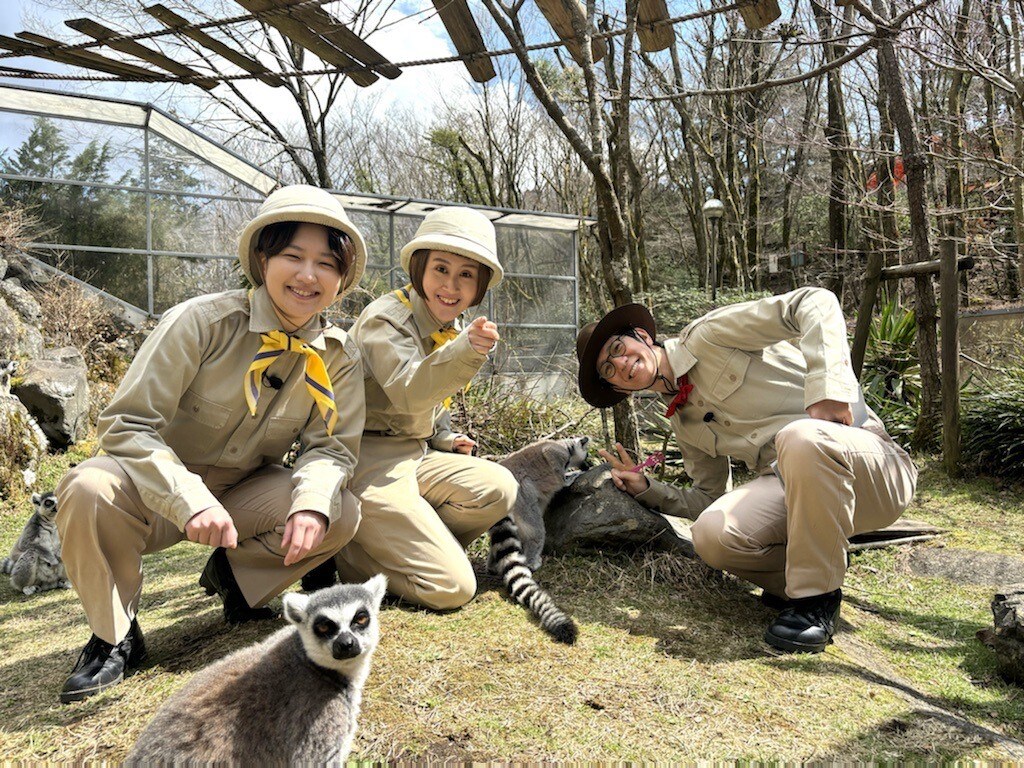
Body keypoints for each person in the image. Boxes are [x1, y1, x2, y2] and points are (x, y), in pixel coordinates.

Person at [54, 185, 368, 703]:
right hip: (155, 490)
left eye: (326, 263)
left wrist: (310, 505)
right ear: (262, 259)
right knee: (86, 487)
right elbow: (127, 424)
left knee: (341, 509)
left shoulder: (338, 355)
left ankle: (234, 578)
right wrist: (188, 497)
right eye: (293, 256)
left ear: (341, 278)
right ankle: (114, 636)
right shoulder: (201, 322)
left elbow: (330, 449)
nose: (308, 275)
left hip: (242, 495)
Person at [575, 288, 918, 653]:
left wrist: (827, 388)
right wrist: (647, 487)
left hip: (870, 464)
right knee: (712, 535)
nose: (621, 364)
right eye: (608, 371)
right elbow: (709, 498)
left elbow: (814, 301)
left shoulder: (710, 335)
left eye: (617, 348)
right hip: (791, 489)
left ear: (641, 336)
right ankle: (812, 571)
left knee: (801, 437)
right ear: (618, 388)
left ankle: (815, 601)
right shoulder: (685, 423)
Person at [322, 206, 518, 610]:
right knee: (452, 588)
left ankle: (409, 545)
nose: (451, 285)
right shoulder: (386, 320)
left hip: (415, 453)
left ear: (480, 285)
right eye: (440, 269)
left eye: (466, 274)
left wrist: (445, 436)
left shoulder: (444, 327)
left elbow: (431, 400)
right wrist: (465, 351)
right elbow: (410, 389)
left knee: (499, 487)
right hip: (365, 459)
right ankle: (345, 554)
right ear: (419, 269)